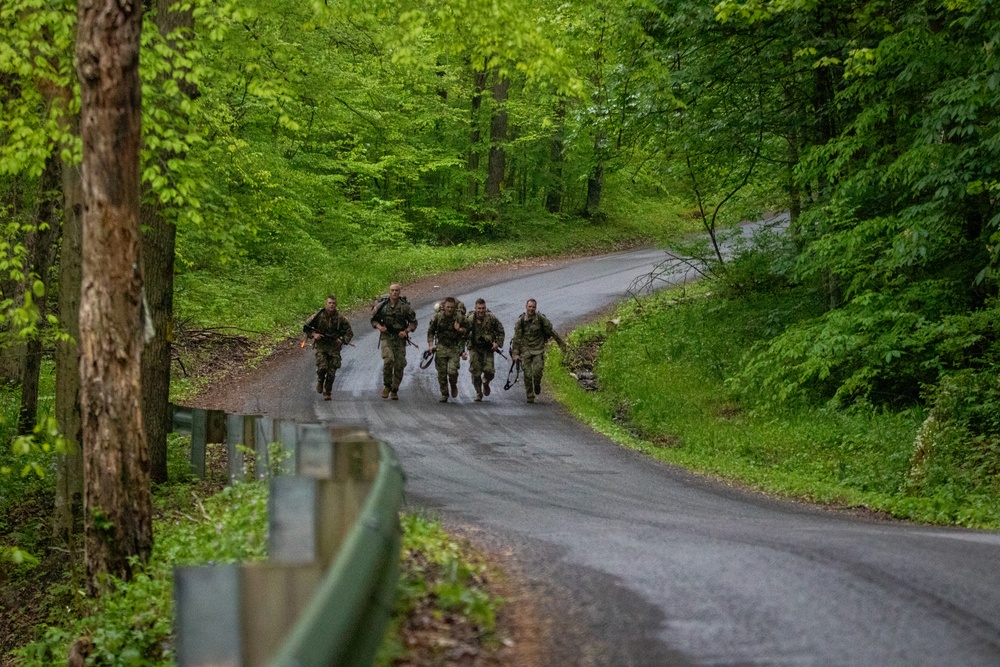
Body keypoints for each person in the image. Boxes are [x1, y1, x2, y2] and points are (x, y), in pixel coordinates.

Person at [510, 298, 565, 403]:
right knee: (527, 374)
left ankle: (537, 384)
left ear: (536, 308)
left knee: (538, 371)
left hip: (538, 349)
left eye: (533, 307)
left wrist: (561, 344)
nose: (531, 309)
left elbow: (551, 331)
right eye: (529, 307)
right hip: (525, 350)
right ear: (526, 307)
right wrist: (515, 354)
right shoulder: (521, 321)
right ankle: (530, 396)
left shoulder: (540, 319)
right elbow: (516, 338)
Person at [370, 283, 418, 400]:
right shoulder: (382, 306)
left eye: (396, 290)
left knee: (399, 364)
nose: (394, 292)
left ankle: (395, 389)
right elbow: (373, 320)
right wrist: (379, 327)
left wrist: (406, 331)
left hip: (400, 338)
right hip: (387, 337)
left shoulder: (405, 307)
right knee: (388, 360)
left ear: (399, 292)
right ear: (389, 292)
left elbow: (413, 322)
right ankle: (387, 385)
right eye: (392, 290)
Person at [303, 295, 353, 400]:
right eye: (329, 303)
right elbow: (306, 328)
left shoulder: (340, 318)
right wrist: (314, 335)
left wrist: (342, 340)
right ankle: (320, 380)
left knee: (332, 372)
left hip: (334, 347)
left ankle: (328, 391)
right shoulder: (318, 316)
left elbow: (349, 332)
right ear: (326, 304)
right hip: (321, 346)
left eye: (333, 303)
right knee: (322, 367)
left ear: (336, 305)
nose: (331, 305)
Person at [427, 296, 468, 402]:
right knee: (441, 373)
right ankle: (444, 394)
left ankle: (453, 384)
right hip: (441, 347)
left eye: (451, 307)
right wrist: (431, 345)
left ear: (454, 308)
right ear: (444, 307)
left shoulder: (459, 318)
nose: (449, 309)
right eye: (448, 307)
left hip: (454, 348)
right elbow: (431, 332)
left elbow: (468, 330)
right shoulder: (438, 317)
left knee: (452, 371)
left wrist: (460, 330)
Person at [466, 298, 505, 402]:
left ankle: (486, 382)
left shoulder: (491, 318)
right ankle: (478, 392)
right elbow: (463, 334)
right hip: (474, 348)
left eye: (483, 308)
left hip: (488, 349)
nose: (481, 311)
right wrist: (462, 350)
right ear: (475, 308)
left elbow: (501, 331)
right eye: (479, 308)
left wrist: (497, 343)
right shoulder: (470, 320)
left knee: (490, 371)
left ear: (485, 308)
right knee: (475, 371)